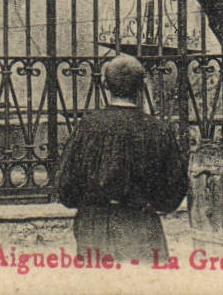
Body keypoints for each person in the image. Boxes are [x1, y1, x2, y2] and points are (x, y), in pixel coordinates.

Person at [54, 53, 189, 263]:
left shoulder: (87, 127)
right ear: (141, 86)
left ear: (105, 85)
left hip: (94, 228)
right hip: (141, 229)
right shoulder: (158, 130)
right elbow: (173, 193)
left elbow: (66, 188)